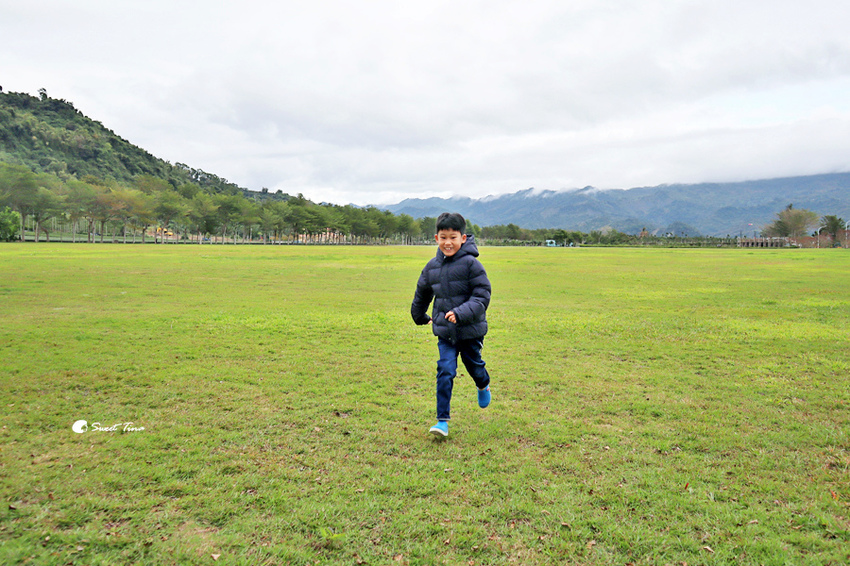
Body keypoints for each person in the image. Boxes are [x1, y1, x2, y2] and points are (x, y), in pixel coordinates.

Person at [411, 212, 492, 438]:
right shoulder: (431, 267)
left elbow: (482, 296)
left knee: (474, 366)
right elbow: (422, 293)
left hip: (470, 330)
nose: (448, 242)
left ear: (463, 238)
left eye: (453, 237)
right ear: (436, 238)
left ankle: (483, 384)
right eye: (443, 237)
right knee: (445, 370)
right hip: (446, 333)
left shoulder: (472, 265)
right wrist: (419, 316)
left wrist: (460, 313)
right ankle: (442, 421)